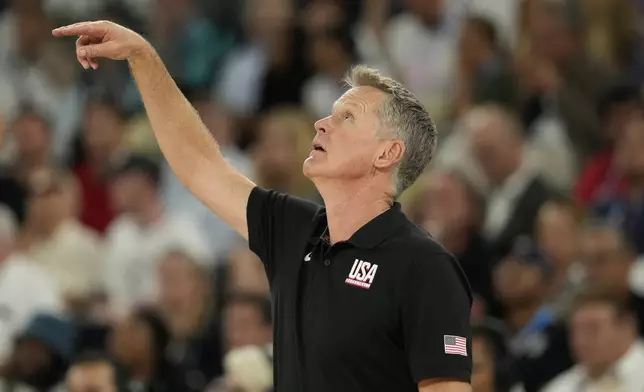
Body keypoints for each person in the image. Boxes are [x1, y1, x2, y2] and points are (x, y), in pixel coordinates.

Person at [52, 21, 473, 392]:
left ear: (387, 154)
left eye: (347, 118)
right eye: (330, 113)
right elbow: (200, 165)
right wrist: (142, 56)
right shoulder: (294, 228)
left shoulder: (424, 266)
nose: (321, 123)